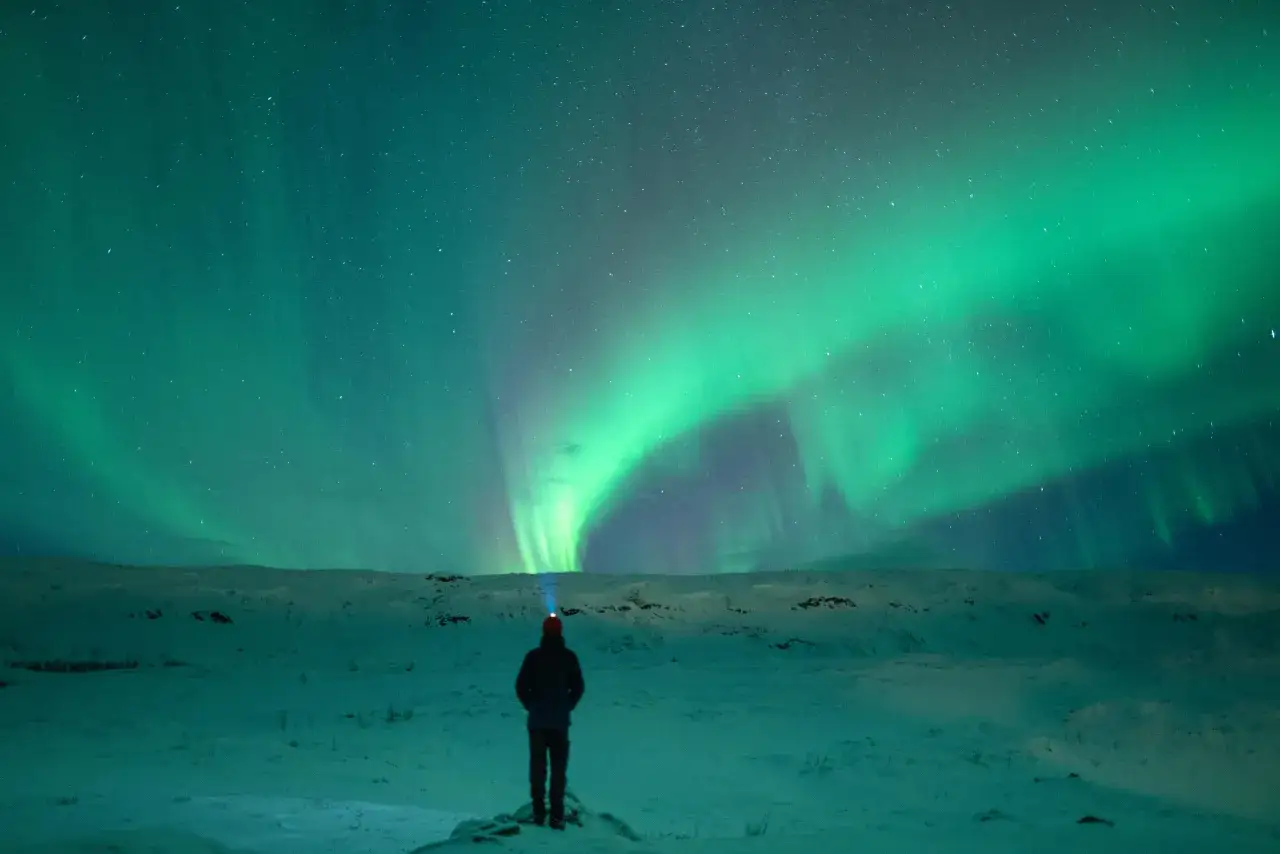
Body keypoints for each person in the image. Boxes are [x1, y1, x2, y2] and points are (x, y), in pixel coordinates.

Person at [515, 614, 584, 829]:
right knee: (558, 769)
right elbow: (578, 688)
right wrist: (566, 705)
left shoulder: (533, 657)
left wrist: (531, 706)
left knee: (538, 768)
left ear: (544, 632)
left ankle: (538, 813)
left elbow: (520, 686)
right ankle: (556, 816)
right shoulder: (569, 657)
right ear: (560, 632)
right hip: (560, 723)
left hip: (537, 723)